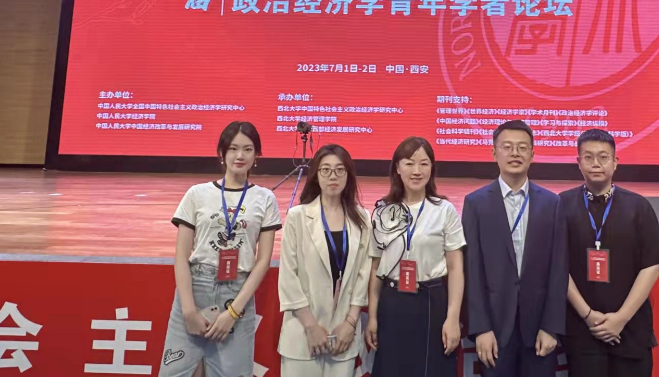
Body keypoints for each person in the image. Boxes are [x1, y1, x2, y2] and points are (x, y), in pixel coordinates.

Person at [159, 121, 281, 377]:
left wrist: (233, 312)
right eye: (233, 148)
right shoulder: (197, 194)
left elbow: (262, 261)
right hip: (196, 288)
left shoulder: (265, 199)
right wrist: (188, 310)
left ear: (256, 156)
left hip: (237, 294)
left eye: (248, 149)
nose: (240, 155)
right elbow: (181, 256)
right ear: (222, 153)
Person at [462, 119, 568, 377]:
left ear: (532, 154)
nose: (515, 153)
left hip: (539, 330)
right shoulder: (475, 203)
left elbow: (559, 268)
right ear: (494, 152)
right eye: (507, 147)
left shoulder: (551, 203)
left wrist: (551, 327)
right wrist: (481, 328)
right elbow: (472, 270)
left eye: (522, 148)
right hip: (495, 330)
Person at [560, 129, 659, 377]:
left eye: (603, 157)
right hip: (583, 329)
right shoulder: (561, 205)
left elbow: (651, 266)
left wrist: (621, 318)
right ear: (578, 162)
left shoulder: (638, 207)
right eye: (588, 157)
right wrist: (587, 315)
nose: (596, 163)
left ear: (615, 162)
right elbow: (557, 266)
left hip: (630, 328)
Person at [366, 136, 466, 377]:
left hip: (431, 302)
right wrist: (372, 316)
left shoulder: (444, 210)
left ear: (432, 168)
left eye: (424, 163)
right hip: (393, 303)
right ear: (397, 168)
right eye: (409, 163)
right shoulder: (382, 211)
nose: (417, 171)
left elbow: (456, 268)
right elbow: (376, 266)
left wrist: (453, 318)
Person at [278, 144, 372, 377]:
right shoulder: (298, 216)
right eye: (326, 170)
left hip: (343, 336)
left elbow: (364, 274)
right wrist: (311, 326)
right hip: (302, 334)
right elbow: (288, 276)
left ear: (348, 175)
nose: (333, 176)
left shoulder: (362, 218)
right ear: (316, 175)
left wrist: (350, 323)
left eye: (340, 170)